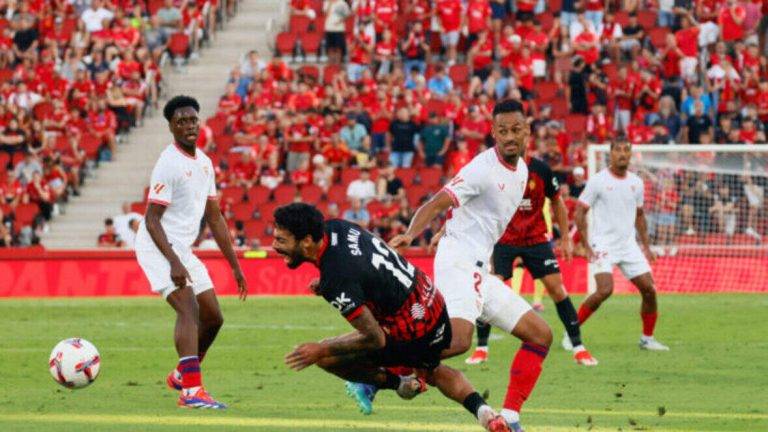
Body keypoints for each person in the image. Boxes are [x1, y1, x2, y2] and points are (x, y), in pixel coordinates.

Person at [352, 100, 552, 431]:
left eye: (516, 129)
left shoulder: (524, 173)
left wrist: (448, 226)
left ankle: (512, 417)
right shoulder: (481, 169)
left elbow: (478, 213)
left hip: (478, 267)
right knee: (458, 341)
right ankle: (378, 374)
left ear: (528, 131)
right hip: (459, 260)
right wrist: (411, 233)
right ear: (493, 132)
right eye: (502, 131)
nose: (509, 137)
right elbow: (438, 201)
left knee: (540, 334)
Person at [272, 204, 510, 432]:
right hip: (432, 300)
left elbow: (373, 338)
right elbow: (366, 263)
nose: (274, 246)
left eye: (281, 241)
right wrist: (333, 285)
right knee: (430, 366)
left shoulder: (337, 279)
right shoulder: (338, 227)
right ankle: (486, 414)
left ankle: (399, 384)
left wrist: (320, 350)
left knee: (327, 356)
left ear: (306, 241)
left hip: (415, 330)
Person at [134, 95, 248, 409]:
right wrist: (172, 262)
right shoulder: (168, 163)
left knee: (213, 317)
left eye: (192, 120)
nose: (188, 126)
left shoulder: (204, 163)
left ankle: (182, 375)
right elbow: (151, 219)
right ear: (171, 126)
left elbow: (215, 216)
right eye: (181, 121)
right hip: (158, 246)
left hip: (182, 248)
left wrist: (235, 266)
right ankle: (192, 392)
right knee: (188, 308)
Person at [464, 156, 598, 367]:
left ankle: (578, 347)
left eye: (519, 131)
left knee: (557, 289)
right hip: (505, 239)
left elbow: (557, 202)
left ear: (526, 135)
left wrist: (564, 238)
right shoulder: (492, 167)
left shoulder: (540, 169)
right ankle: (481, 349)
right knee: (488, 289)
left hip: (536, 239)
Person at [573, 139, 669, 351]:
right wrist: (586, 244)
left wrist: (646, 246)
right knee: (605, 289)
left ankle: (647, 338)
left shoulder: (636, 182)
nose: (623, 154)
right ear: (611, 153)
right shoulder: (598, 180)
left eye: (627, 150)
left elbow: (640, 216)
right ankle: (572, 332)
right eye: (618, 150)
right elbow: (580, 211)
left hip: (628, 246)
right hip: (603, 244)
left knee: (650, 290)